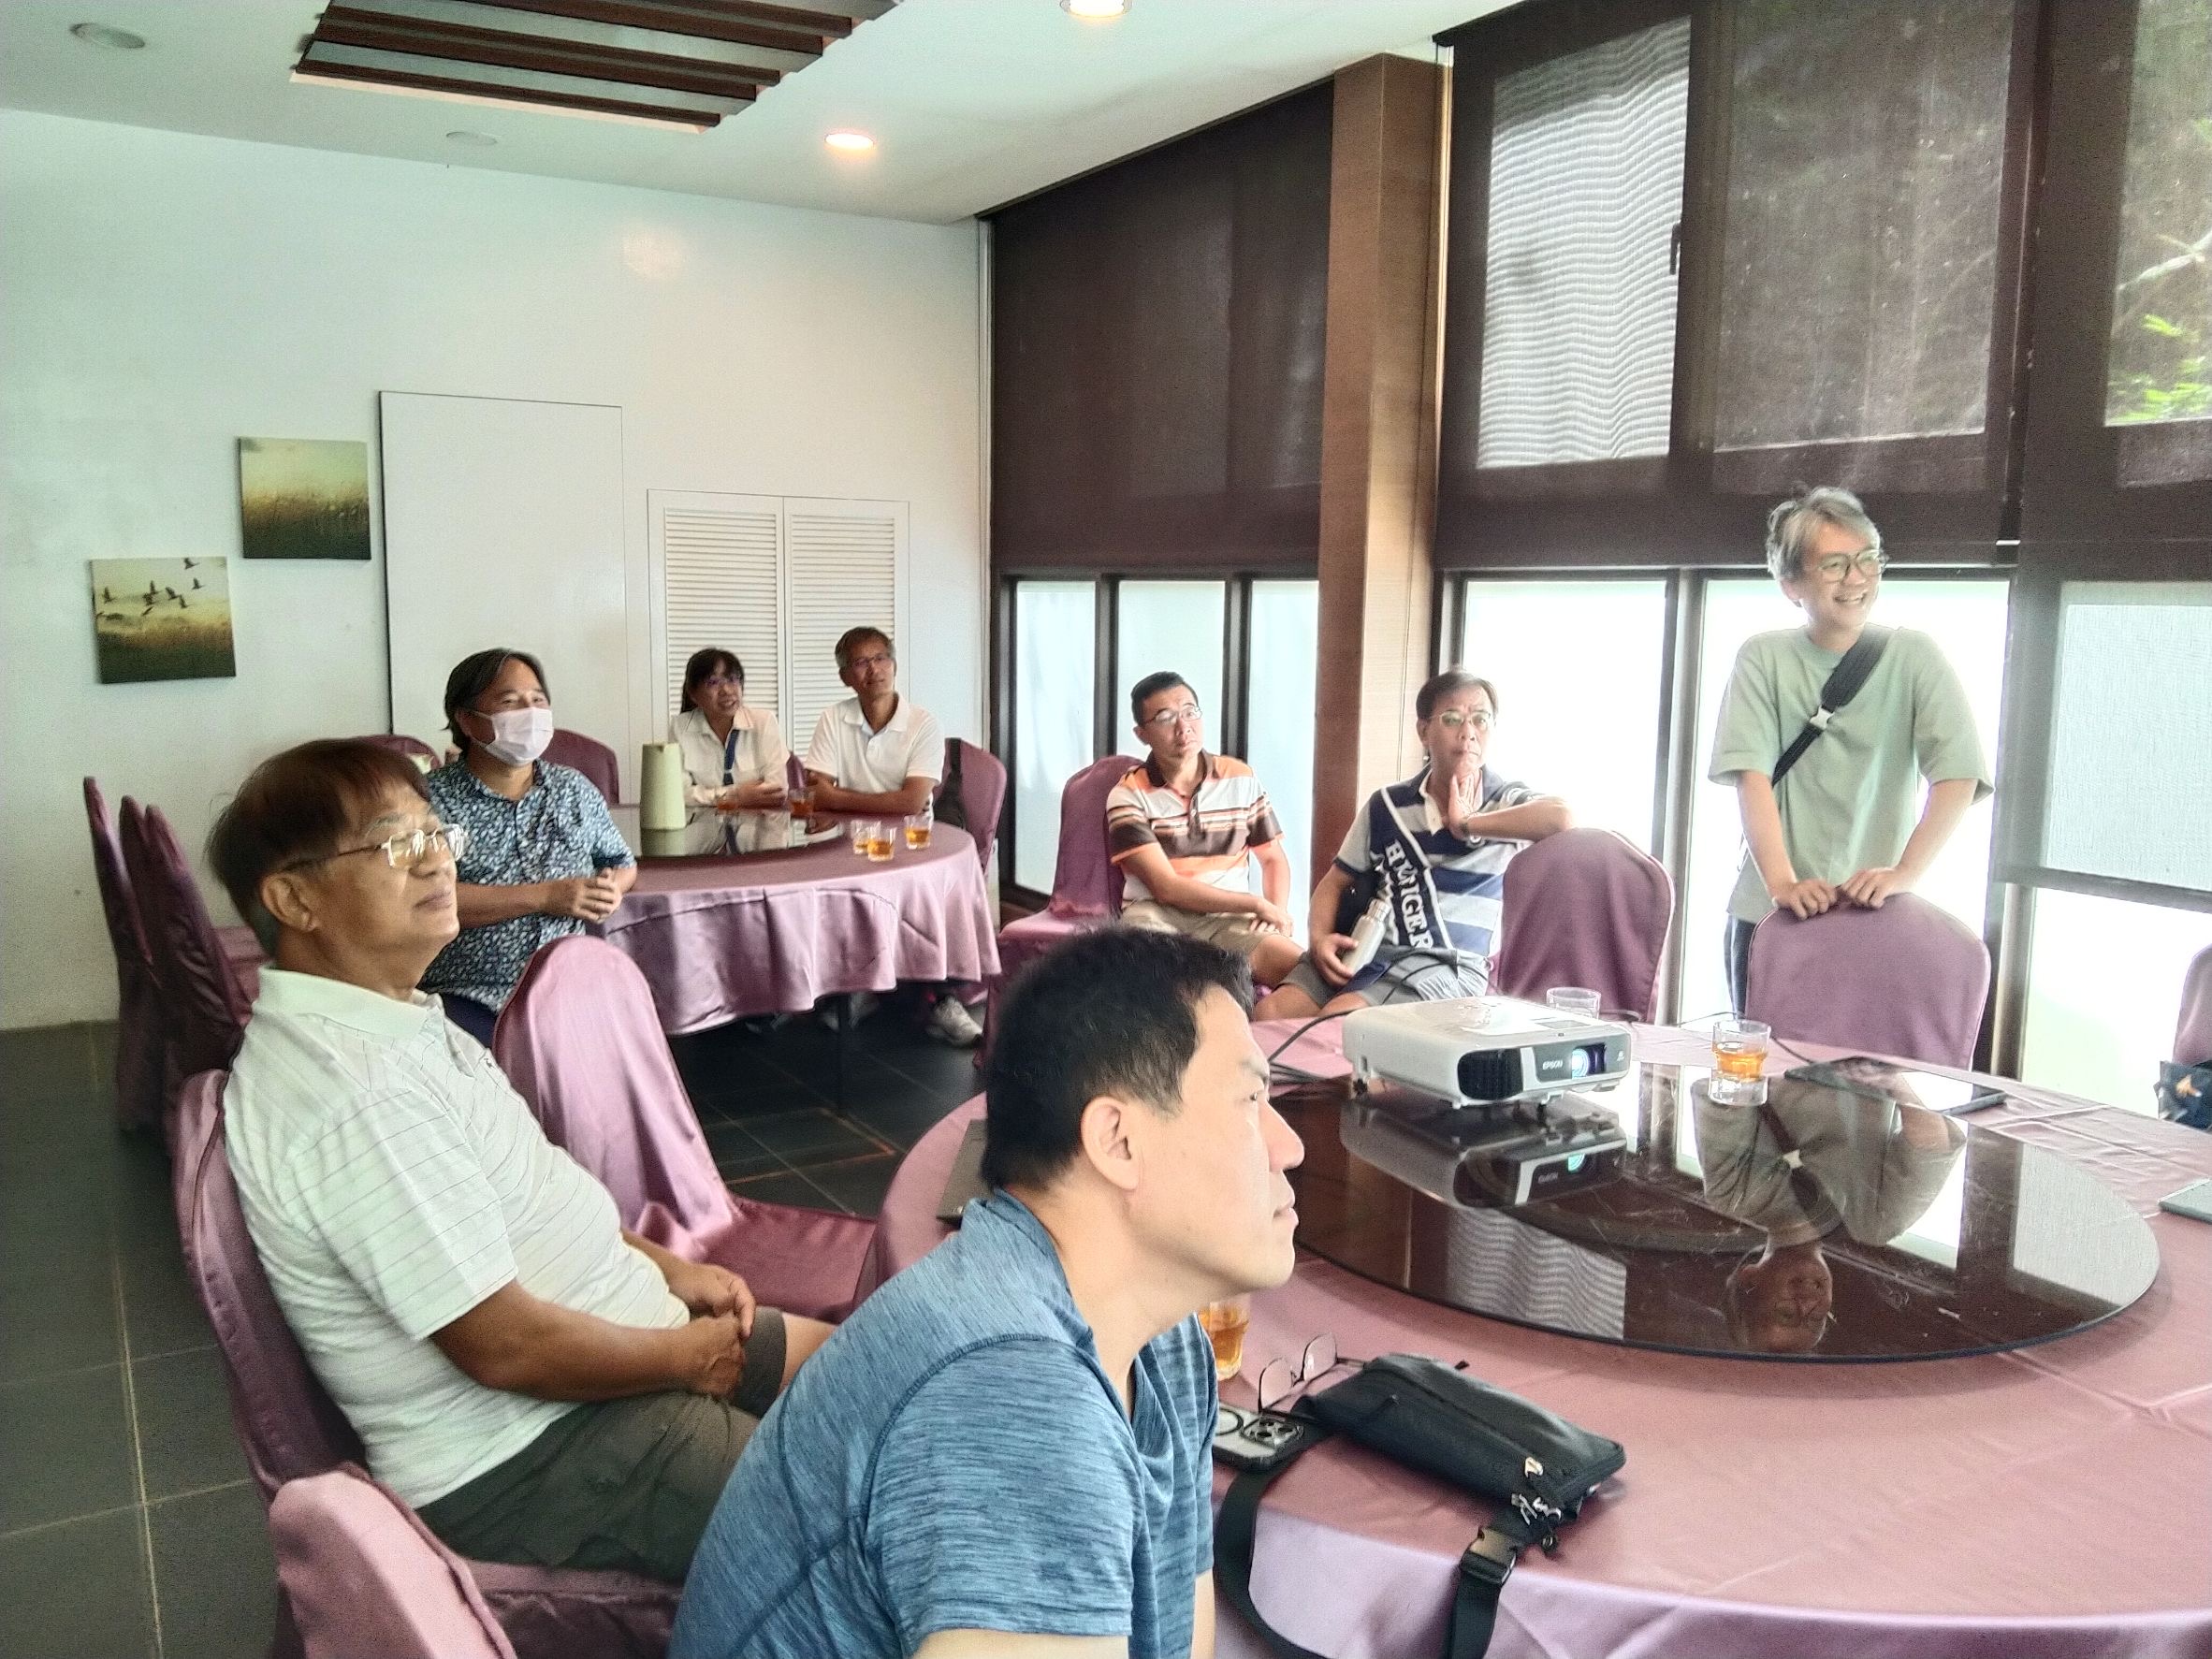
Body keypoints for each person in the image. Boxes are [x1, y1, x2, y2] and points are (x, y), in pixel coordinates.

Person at [207, 739, 833, 1579]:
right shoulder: (350, 1093)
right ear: (294, 898)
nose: (437, 861)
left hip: (616, 1339)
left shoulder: (390, 1015)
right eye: (398, 844)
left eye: (438, 834)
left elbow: (528, 1193)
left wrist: (665, 1266)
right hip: (535, 1446)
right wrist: (688, 1358)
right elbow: (503, 1348)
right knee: (862, 1519)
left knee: (884, 1371)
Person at [672, 927, 1301, 1659]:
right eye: (1250, 1097)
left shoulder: (1167, 1338)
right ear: (1118, 1140)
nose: (1288, 1144)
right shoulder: (1014, 1392)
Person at [1710, 487, 1992, 1012]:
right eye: (1835, 565)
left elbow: (1958, 776)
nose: (1857, 578)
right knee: (1756, 1059)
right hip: (1770, 914)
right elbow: (1751, 778)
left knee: (1865, 1062)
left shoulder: (1915, 656)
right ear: (1791, 584)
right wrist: (1782, 884)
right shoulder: (1762, 657)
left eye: (1868, 559)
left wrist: (1905, 874)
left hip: (1872, 917)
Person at [1253, 670, 1572, 1021]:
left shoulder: (1505, 802)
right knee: (1271, 1014)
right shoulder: (1387, 805)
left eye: (1480, 719)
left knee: (1340, 1020)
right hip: (1368, 946)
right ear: (1423, 731)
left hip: (1445, 964)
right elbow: (1335, 882)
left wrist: (1467, 823)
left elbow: (1561, 818)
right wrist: (1320, 939)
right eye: (1452, 719)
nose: (1468, 732)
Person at [420, 648, 638, 1045]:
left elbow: (621, 862)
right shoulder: (429, 803)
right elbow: (423, 898)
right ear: (466, 719)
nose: (530, 712)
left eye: (538, 700)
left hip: (571, 987)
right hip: (468, 993)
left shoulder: (573, 789)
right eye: (510, 702)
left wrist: (611, 887)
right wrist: (544, 897)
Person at [803, 626, 980, 1046]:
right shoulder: (834, 718)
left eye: (881, 658)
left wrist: (840, 798)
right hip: (848, 841)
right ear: (845, 676)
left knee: (927, 895)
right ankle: (860, 987)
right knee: (833, 890)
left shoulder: (922, 723)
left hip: (912, 839)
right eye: (861, 662)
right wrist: (868, 802)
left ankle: (942, 999)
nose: (874, 670)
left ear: (894, 665)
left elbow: (911, 803)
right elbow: (815, 791)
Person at [1695, 1083, 1965, 1354]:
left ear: (1749, 1281)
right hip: (1879, 1059)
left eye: (1786, 1313)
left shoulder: (1732, 1192)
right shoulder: (1876, 1221)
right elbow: (1932, 1147)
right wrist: (1891, 1080)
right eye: (1815, 1318)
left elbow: (1733, 1082)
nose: (1806, 1304)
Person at [1107, 671, 1302, 990]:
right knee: (1161, 990)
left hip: (1230, 919)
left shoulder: (1240, 778)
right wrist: (1255, 904)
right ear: (1142, 734)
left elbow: (1273, 858)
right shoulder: (1128, 794)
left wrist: (1275, 913)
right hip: (1157, 917)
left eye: (1190, 711)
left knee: (1305, 973)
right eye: (1165, 718)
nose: (1183, 727)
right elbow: (1166, 888)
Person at [671, 648, 789, 809]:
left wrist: (708, 795)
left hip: (759, 822)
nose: (726, 690)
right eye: (713, 682)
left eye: (733, 679)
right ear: (693, 694)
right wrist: (736, 795)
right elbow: (677, 794)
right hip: (703, 824)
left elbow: (777, 791)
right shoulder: (680, 727)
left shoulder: (764, 722)